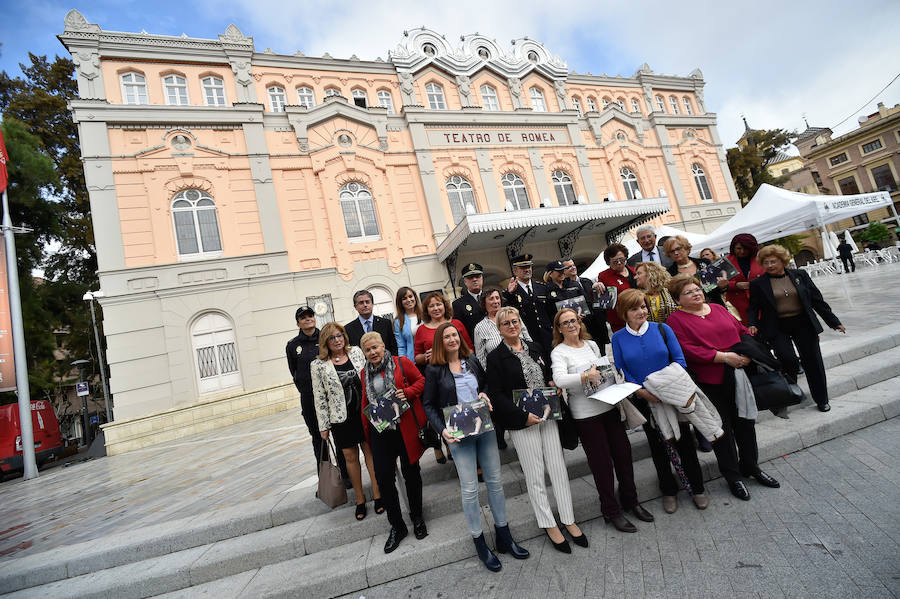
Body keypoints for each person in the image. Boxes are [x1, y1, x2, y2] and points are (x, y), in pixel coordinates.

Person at [422, 323, 529, 571]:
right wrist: (443, 431)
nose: (452, 339)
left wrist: (484, 394)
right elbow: (428, 405)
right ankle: (480, 541)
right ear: (440, 341)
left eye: (455, 335)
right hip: (459, 435)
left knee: (495, 482)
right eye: (447, 336)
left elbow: (486, 385)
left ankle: (504, 535)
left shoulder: (470, 360)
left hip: (484, 428)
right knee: (470, 489)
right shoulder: (435, 370)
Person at [666, 275, 780, 501]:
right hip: (711, 380)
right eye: (688, 292)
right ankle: (733, 475)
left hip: (739, 373)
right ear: (678, 299)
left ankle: (751, 467)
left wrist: (747, 354)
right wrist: (722, 357)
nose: (696, 293)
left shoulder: (718, 308)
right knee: (721, 429)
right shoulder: (675, 321)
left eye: (697, 289)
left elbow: (742, 331)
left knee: (746, 423)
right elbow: (686, 349)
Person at [487, 307, 587, 553]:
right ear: (499, 329)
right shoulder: (495, 357)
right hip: (523, 423)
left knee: (558, 469)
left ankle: (568, 518)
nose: (512, 326)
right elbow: (497, 396)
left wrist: (554, 385)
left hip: (548, 415)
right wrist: (522, 416)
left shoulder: (535, 347)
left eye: (515, 321)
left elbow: (547, 377)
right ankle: (549, 524)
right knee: (535, 475)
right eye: (506, 323)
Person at [550, 308, 654, 532]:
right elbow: (559, 378)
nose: (571, 325)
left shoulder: (591, 345)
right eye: (565, 322)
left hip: (609, 405)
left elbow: (603, 372)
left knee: (623, 456)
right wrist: (584, 376)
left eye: (574, 321)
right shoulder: (559, 352)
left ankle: (631, 500)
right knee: (601, 465)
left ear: (580, 323)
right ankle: (610, 510)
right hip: (586, 415)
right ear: (559, 328)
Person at [611, 289, 707, 513]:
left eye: (643, 306)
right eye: (635, 308)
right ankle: (669, 490)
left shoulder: (662, 329)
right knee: (658, 447)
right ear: (625, 313)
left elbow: (680, 361)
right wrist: (643, 392)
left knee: (684, 442)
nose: (641, 311)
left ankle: (698, 488)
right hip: (645, 400)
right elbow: (622, 371)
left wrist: (664, 388)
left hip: (673, 396)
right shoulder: (618, 338)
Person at [748, 245, 846, 412]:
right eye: (765, 263)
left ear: (782, 260)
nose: (770, 265)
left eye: (773, 261)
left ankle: (821, 399)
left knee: (813, 362)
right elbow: (753, 307)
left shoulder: (800, 275)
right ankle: (789, 393)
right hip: (776, 326)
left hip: (803, 323)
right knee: (787, 359)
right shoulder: (758, 283)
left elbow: (817, 300)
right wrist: (752, 324)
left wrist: (833, 321)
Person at [359, 332, 428, 553]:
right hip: (381, 432)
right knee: (384, 479)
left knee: (411, 474)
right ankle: (397, 526)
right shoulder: (364, 373)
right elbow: (364, 401)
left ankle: (417, 517)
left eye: (375, 347)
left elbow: (421, 381)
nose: (373, 352)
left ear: (383, 346)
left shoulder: (401, 362)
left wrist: (407, 392)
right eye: (368, 350)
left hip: (404, 427)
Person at [311, 322, 382, 520]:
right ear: (325, 341)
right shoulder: (318, 365)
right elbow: (320, 397)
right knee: (350, 458)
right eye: (332, 337)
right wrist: (323, 426)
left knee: (370, 452)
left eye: (340, 335)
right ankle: (360, 500)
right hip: (341, 418)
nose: (337, 340)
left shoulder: (357, 353)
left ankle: (377, 495)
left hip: (365, 413)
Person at [503, 253, 554, 354]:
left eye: (529, 266)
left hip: (549, 338)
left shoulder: (542, 288)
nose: (527, 270)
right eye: (522, 267)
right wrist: (510, 294)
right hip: (530, 340)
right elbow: (509, 313)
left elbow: (551, 312)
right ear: (515, 271)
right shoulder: (510, 293)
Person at [473, 287, 533, 369]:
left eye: (497, 298)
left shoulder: (513, 316)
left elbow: (528, 339)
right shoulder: (479, 328)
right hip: (501, 371)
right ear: (484, 303)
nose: (495, 301)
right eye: (491, 299)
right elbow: (481, 357)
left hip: (526, 365)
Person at [413, 292, 473, 368]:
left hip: (460, 367)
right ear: (426, 310)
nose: (436, 308)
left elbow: (470, 349)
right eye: (431, 306)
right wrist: (425, 356)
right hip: (436, 371)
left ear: (445, 306)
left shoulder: (457, 324)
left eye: (438, 304)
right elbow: (417, 358)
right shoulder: (421, 330)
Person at [563, 258, 610, 354]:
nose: (573, 268)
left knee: (602, 355)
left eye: (573, 265)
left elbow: (597, 300)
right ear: (563, 271)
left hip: (598, 326)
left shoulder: (587, 281)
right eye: (569, 267)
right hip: (583, 329)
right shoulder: (565, 288)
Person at [664, 235, 726, 305]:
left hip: (715, 305)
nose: (676, 253)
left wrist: (722, 286)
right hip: (691, 311)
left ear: (686, 248)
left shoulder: (704, 263)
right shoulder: (669, 273)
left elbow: (717, 288)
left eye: (678, 249)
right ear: (669, 255)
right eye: (672, 251)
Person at [724, 234, 765, 324]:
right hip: (737, 305)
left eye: (746, 248)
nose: (742, 252)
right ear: (733, 248)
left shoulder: (761, 259)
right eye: (738, 248)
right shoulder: (725, 262)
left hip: (761, 303)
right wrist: (735, 285)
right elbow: (715, 284)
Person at [344, 290, 398, 356]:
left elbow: (394, 348)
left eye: (367, 302)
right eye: (361, 303)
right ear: (355, 307)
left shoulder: (386, 323)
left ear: (372, 304)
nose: (365, 305)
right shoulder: (348, 329)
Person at [597, 243, 636, 333]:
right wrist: (596, 287)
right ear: (608, 261)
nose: (619, 263)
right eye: (615, 261)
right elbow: (601, 299)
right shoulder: (604, 276)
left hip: (639, 315)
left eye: (622, 260)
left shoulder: (634, 271)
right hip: (620, 321)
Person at [452, 263, 485, 341]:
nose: (474, 279)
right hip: (475, 345)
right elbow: (460, 331)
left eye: (477, 276)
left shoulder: (491, 298)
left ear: (482, 278)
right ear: (465, 281)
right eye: (470, 277)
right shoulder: (458, 304)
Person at [393, 286, 422, 363]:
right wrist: (404, 364)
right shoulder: (398, 322)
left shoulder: (425, 315)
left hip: (432, 357)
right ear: (400, 302)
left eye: (410, 296)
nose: (409, 300)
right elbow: (401, 346)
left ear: (415, 297)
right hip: (413, 361)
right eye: (404, 298)